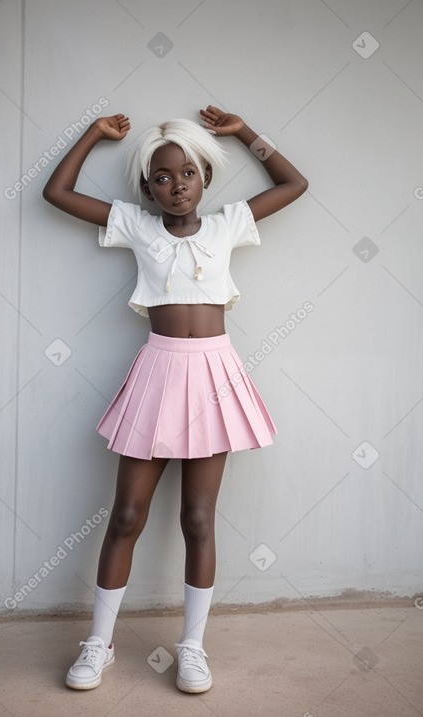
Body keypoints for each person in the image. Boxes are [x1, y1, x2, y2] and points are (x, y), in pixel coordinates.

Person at [42, 105, 308, 693]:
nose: (177, 185)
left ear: (205, 180)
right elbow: (56, 192)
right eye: (162, 176)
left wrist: (244, 133)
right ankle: (99, 644)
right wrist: (91, 133)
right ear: (147, 187)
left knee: (197, 518)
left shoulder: (228, 223)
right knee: (127, 515)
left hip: (215, 376)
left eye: (187, 173)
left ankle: (192, 648)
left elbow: (295, 183)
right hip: (158, 372)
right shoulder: (136, 225)